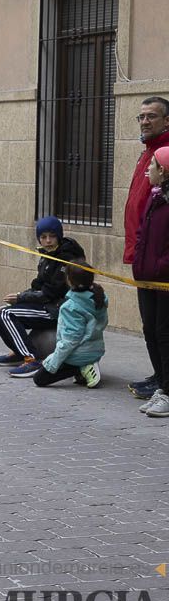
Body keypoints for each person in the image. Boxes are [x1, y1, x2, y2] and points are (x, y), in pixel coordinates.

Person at [0, 216, 85, 374]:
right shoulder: (47, 257)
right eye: (43, 237)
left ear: (59, 236)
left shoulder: (67, 258)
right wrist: (16, 301)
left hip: (56, 309)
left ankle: (31, 360)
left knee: (6, 315)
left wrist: (20, 298)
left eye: (52, 236)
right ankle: (20, 352)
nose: (48, 241)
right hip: (46, 305)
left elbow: (51, 292)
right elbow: (38, 286)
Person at [126, 98, 169, 399]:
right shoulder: (148, 154)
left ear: (167, 121)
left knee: (163, 330)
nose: (144, 121)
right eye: (140, 116)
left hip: (160, 264)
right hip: (144, 260)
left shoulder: (165, 156)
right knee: (150, 326)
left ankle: (165, 385)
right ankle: (160, 376)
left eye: (151, 116)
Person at [9, 260, 107, 388]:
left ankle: (80, 367)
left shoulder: (70, 307)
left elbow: (70, 340)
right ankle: (84, 367)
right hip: (96, 350)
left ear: (69, 280)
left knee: (39, 379)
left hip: (79, 354)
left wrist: (52, 363)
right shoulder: (99, 297)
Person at [134, 146, 169, 416]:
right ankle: (162, 382)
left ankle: (168, 392)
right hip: (146, 278)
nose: (148, 170)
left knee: (164, 333)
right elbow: (142, 234)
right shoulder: (154, 197)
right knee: (150, 331)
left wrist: (159, 266)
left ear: (164, 171)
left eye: (153, 165)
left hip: (163, 280)